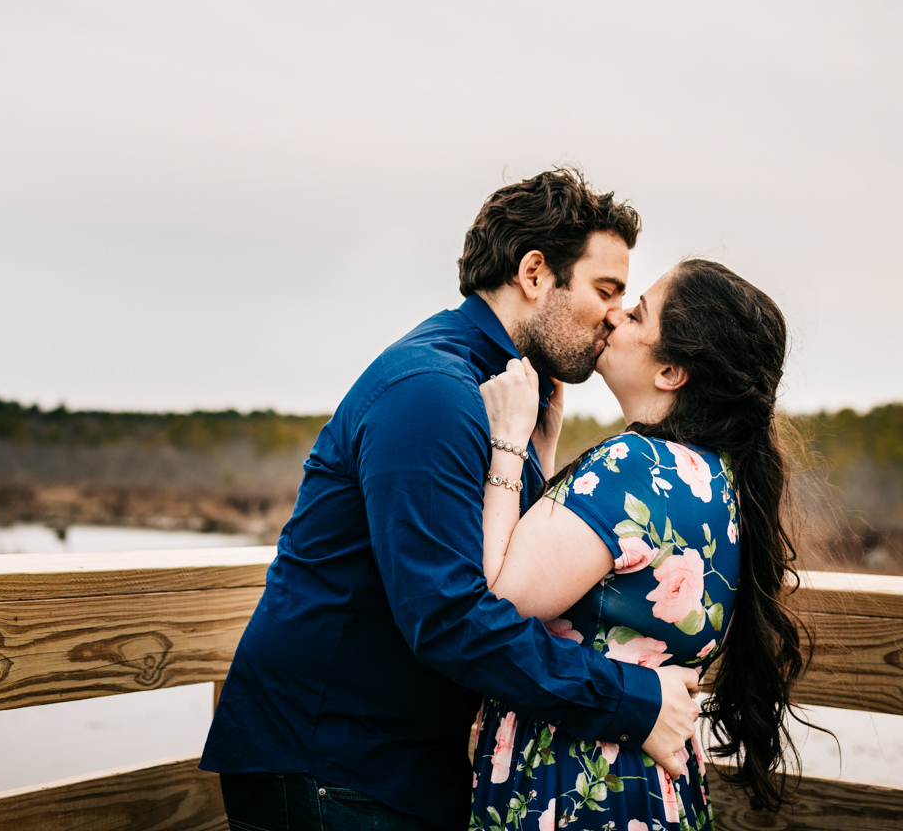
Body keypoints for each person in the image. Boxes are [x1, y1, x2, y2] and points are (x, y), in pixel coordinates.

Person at [201, 170, 703, 831]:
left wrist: (537, 458)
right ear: (533, 273)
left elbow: (501, 579)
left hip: (397, 765)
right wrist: (634, 701)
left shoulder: (505, 396)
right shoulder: (433, 393)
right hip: (330, 767)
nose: (617, 314)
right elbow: (446, 617)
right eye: (606, 290)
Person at [471, 258, 807, 830]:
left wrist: (506, 445)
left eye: (638, 314)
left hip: (574, 783)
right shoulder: (718, 482)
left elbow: (498, 602)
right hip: (653, 787)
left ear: (672, 370)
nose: (615, 314)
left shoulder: (634, 464)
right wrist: (544, 454)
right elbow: (601, 588)